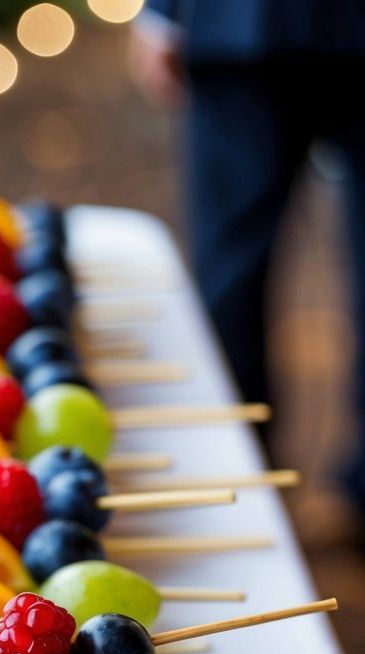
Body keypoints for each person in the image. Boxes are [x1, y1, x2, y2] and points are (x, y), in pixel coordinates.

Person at [129, 0, 365, 534]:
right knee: (229, 282)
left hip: (242, 21)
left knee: (230, 274)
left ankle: (237, 492)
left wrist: (161, 11)